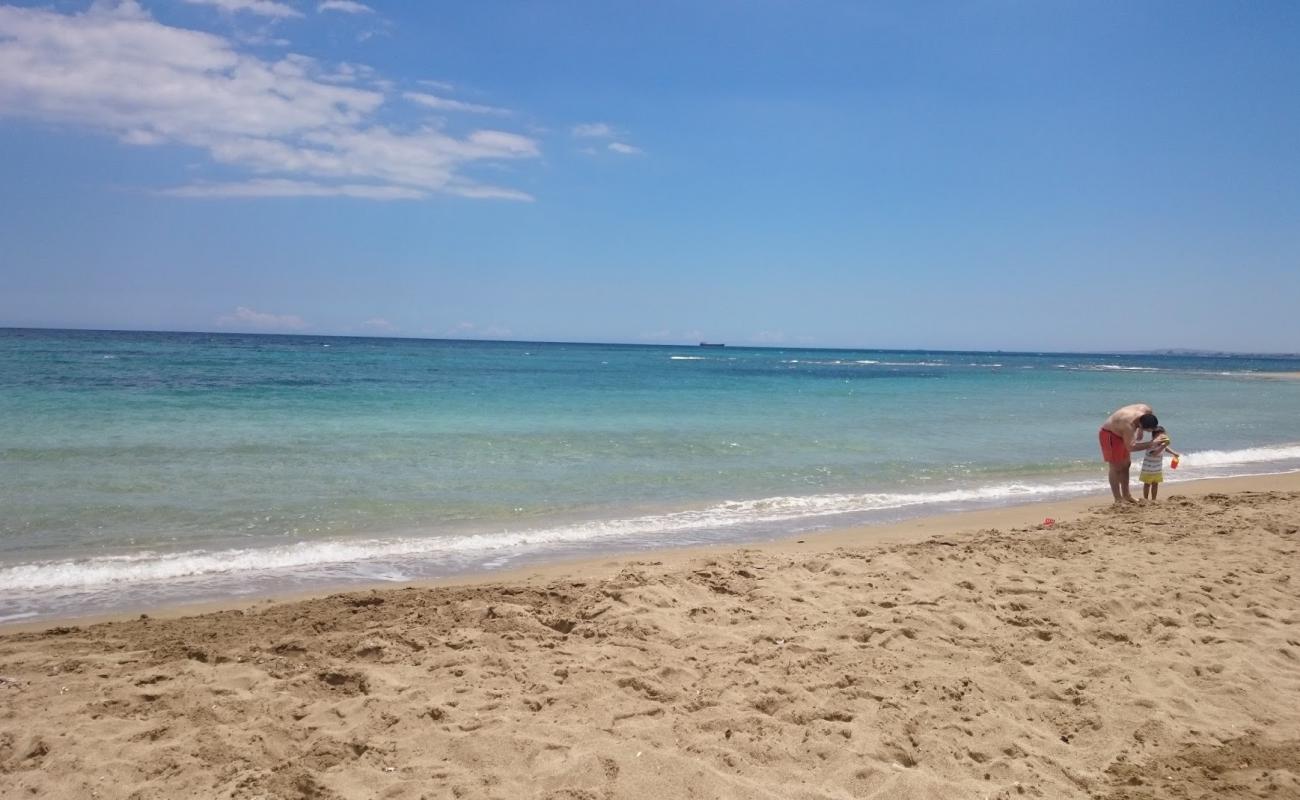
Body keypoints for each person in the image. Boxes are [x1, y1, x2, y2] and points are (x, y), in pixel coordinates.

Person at [1098, 403, 1160, 504]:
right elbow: (1131, 447)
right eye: (1147, 430)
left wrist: (1141, 431)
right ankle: (1118, 499)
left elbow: (1148, 412)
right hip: (1110, 434)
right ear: (1140, 424)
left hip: (1122, 433)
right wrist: (1151, 444)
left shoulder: (1145, 409)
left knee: (1126, 465)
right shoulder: (1128, 425)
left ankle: (1127, 495)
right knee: (1116, 467)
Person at [1139, 426, 1181, 501]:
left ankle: (1154, 499)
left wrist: (1174, 453)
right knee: (1147, 484)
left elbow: (1166, 448)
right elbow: (1154, 453)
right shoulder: (1151, 444)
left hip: (1157, 469)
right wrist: (1164, 445)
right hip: (1148, 469)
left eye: (1163, 435)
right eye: (1160, 436)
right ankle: (1145, 499)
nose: (1162, 437)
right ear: (1154, 436)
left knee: (1155, 484)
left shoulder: (1162, 444)